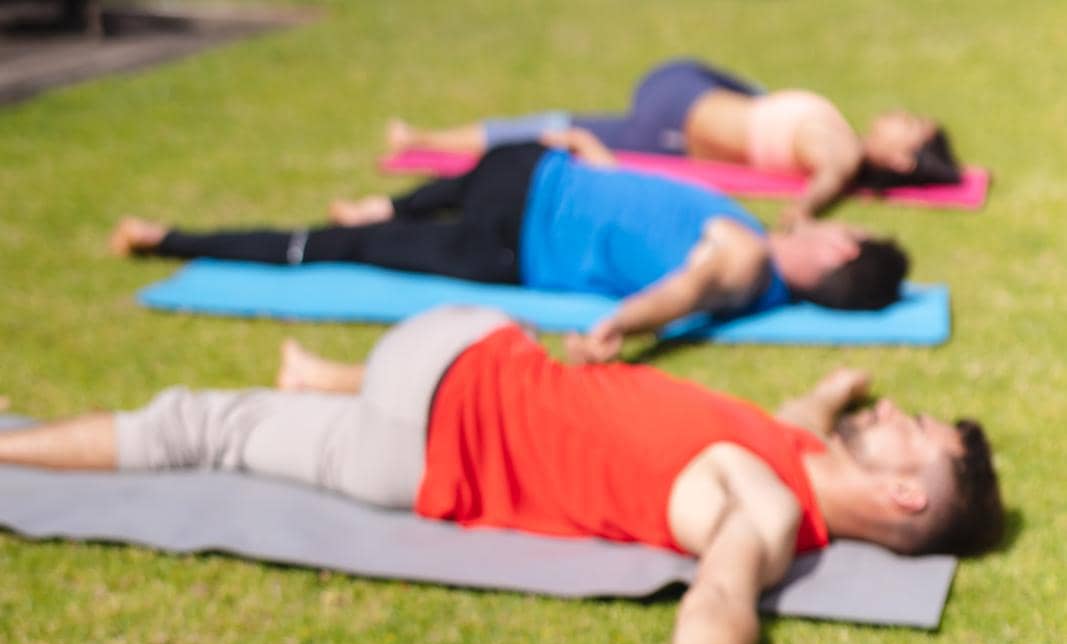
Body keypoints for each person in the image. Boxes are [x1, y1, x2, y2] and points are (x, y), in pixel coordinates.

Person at [0, 306, 1003, 644]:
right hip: (450, 370)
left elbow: (722, 589)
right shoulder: (794, 448)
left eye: (910, 434)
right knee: (209, 426)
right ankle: (318, 381)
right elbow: (809, 414)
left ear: (907, 498)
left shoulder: (770, 508)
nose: (893, 416)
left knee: (199, 427)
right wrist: (838, 386)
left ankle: (16, 450)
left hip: (427, 425)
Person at [109, 139, 911, 348]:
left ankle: (167, 238)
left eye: (847, 230)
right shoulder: (755, 241)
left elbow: (682, 292)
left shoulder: (743, 261)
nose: (833, 223)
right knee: (348, 243)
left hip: (516, 205)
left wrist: (618, 325)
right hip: (527, 192)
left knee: (336, 246)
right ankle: (373, 213)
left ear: (839, 256)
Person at [388, 57, 964, 219]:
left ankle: (425, 136)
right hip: (682, 111)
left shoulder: (841, 151)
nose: (895, 113)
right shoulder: (841, 137)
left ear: (901, 156)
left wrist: (805, 212)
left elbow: (832, 174)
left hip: (675, 113)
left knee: (557, 127)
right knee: (557, 125)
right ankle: (426, 135)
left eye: (907, 125)